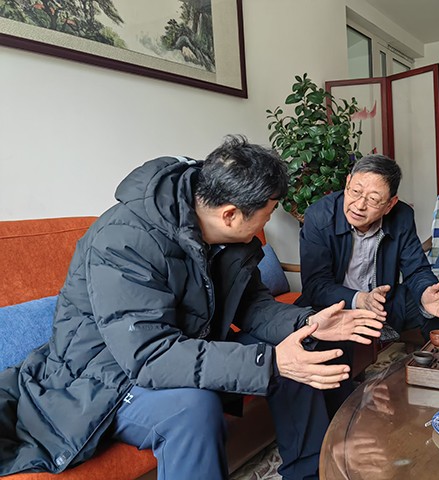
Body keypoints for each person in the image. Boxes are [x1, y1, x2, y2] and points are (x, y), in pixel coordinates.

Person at [0, 135, 383, 480]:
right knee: (192, 409)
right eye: (266, 214)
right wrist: (269, 363)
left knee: (301, 350)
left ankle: (309, 473)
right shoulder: (124, 241)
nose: (267, 222)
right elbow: (150, 357)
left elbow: (251, 305)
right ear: (230, 214)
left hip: (182, 346)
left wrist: (308, 322)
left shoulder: (227, 236)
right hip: (108, 374)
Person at [296, 154, 439, 414]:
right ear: (347, 182)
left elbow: (416, 268)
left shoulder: (402, 215)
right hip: (336, 306)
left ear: (389, 204)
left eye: (373, 199)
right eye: (355, 191)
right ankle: (345, 414)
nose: (359, 205)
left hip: (385, 301)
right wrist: (359, 299)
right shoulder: (319, 216)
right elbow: (316, 285)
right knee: (329, 342)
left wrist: (425, 293)